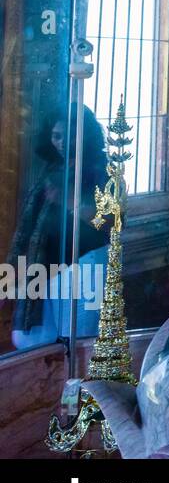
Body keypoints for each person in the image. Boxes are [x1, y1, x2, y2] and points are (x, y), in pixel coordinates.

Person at [8, 106, 110, 351]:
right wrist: (10, 278)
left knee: (77, 345)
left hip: (84, 263)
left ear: (86, 135)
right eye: (56, 136)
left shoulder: (101, 170)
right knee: (28, 341)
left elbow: (110, 223)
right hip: (47, 265)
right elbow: (30, 225)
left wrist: (69, 202)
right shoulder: (53, 168)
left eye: (70, 135)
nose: (62, 143)